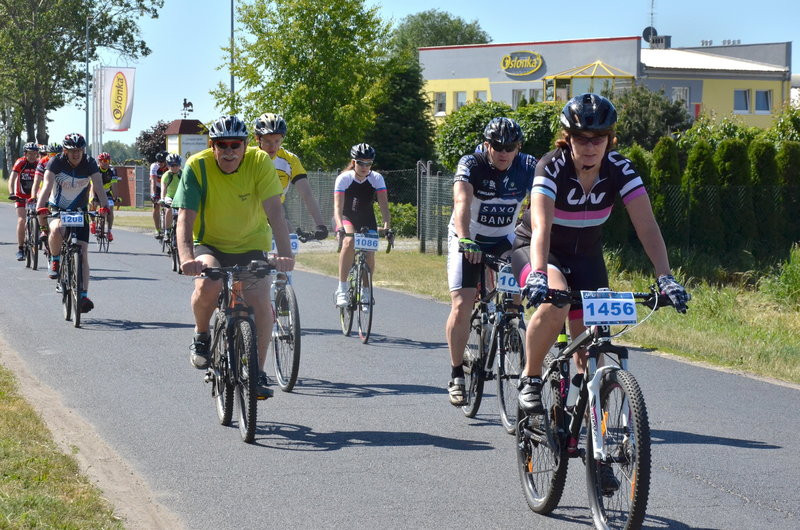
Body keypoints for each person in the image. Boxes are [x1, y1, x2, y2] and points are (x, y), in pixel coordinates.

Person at [512, 93, 689, 415]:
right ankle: (531, 378)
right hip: (538, 250)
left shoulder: (620, 168)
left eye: (599, 139)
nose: (590, 147)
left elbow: (647, 226)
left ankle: (589, 412)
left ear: (610, 139)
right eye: (582, 138)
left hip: (586, 257)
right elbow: (541, 227)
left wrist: (665, 276)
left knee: (592, 341)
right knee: (557, 301)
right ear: (568, 138)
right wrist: (538, 273)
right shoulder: (551, 166)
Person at [172, 115, 294, 398]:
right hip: (210, 243)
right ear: (212, 146)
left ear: (246, 145)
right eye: (222, 145)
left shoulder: (260, 162)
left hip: (251, 243)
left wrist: (285, 255)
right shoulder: (197, 166)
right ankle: (201, 335)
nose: (229, 151)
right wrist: (186, 258)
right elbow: (185, 218)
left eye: (235, 145)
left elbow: (275, 211)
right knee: (208, 284)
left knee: (260, 300)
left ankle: (257, 372)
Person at [444, 118, 536, 406]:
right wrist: (465, 238)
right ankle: (457, 374)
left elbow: (542, 201)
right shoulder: (472, 164)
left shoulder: (528, 165)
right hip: (469, 236)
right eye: (497, 146)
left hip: (504, 238)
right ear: (487, 145)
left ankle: (510, 327)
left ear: (518, 147)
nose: (503, 152)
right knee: (462, 304)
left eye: (510, 147)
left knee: (518, 289)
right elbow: (461, 202)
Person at [36, 133, 109, 313]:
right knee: (57, 229)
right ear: (65, 151)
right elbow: (47, 186)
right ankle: (55, 259)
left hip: (79, 210)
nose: (76, 154)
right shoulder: (56, 162)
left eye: (79, 150)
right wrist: (40, 207)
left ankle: (83, 296)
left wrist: (104, 207)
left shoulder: (89, 163)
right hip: (58, 207)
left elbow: (98, 186)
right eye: (72, 151)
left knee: (82, 253)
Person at [333, 143, 391, 307]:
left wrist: (387, 226)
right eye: (361, 163)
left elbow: (384, 206)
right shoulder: (344, 178)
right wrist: (340, 227)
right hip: (346, 216)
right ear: (353, 162)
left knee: (369, 251)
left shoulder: (377, 178)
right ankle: (342, 289)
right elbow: (337, 208)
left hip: (367, 218)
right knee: (349, 241)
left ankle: (366, 291)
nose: (365, 167)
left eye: (369, 163)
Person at [253, 113, 328, 239]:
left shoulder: (290, 160)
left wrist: (320, 225)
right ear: (257, 138)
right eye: (267, 141)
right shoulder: (249, 157)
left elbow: (307, 194)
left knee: (290, 238)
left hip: (276, 211)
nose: (273, 146)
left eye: (277, 141)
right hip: (250, 210)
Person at [8, 142, 40, 260]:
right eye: (29, 153)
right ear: (25, 154)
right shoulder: (20, 162)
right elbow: (12, 178)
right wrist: (11, 193)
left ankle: (40, 235)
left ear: (37, 154)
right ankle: (20, 249)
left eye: (34, 153)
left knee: (41, 216)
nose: (32, 156)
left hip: (34, 196)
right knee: (21, 220)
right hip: (20, 195)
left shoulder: (39, 164)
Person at [89, 152, 120, 241]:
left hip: (107, 192)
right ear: (99, 162)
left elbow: (114, 185)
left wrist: (116, 197)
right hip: (96, 190)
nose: (104, 162)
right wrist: (93, 197)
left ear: (109, 161)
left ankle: (109, 231)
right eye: (102, 161)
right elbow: (93, 185)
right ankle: (93, 222)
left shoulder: (113, 171)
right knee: (93, 204)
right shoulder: (95, 170)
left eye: (106, 160)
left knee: (110, 208)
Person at [158, 153, 182, 233]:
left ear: (180, 165)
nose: (175, 167)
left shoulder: (183, 174)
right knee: (169, 209)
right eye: (172, 165)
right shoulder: (166, 175)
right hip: (169, 196)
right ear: (168, 166)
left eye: (177, 165)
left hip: (180, 197)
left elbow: (188, 187)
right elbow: (163, 188)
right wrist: (162, 199)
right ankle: (167, 231)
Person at [150, 150, 169, 239]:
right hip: (157, 186)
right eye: (158, 161)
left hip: (168, 186)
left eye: (162, 161)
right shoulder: (154, 166)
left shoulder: (170, 166)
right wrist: (153, 194)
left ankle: (168, 228)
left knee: (168, 205)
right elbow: (153, 182)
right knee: (156, 206)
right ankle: (157, 229)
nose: (160, 163)